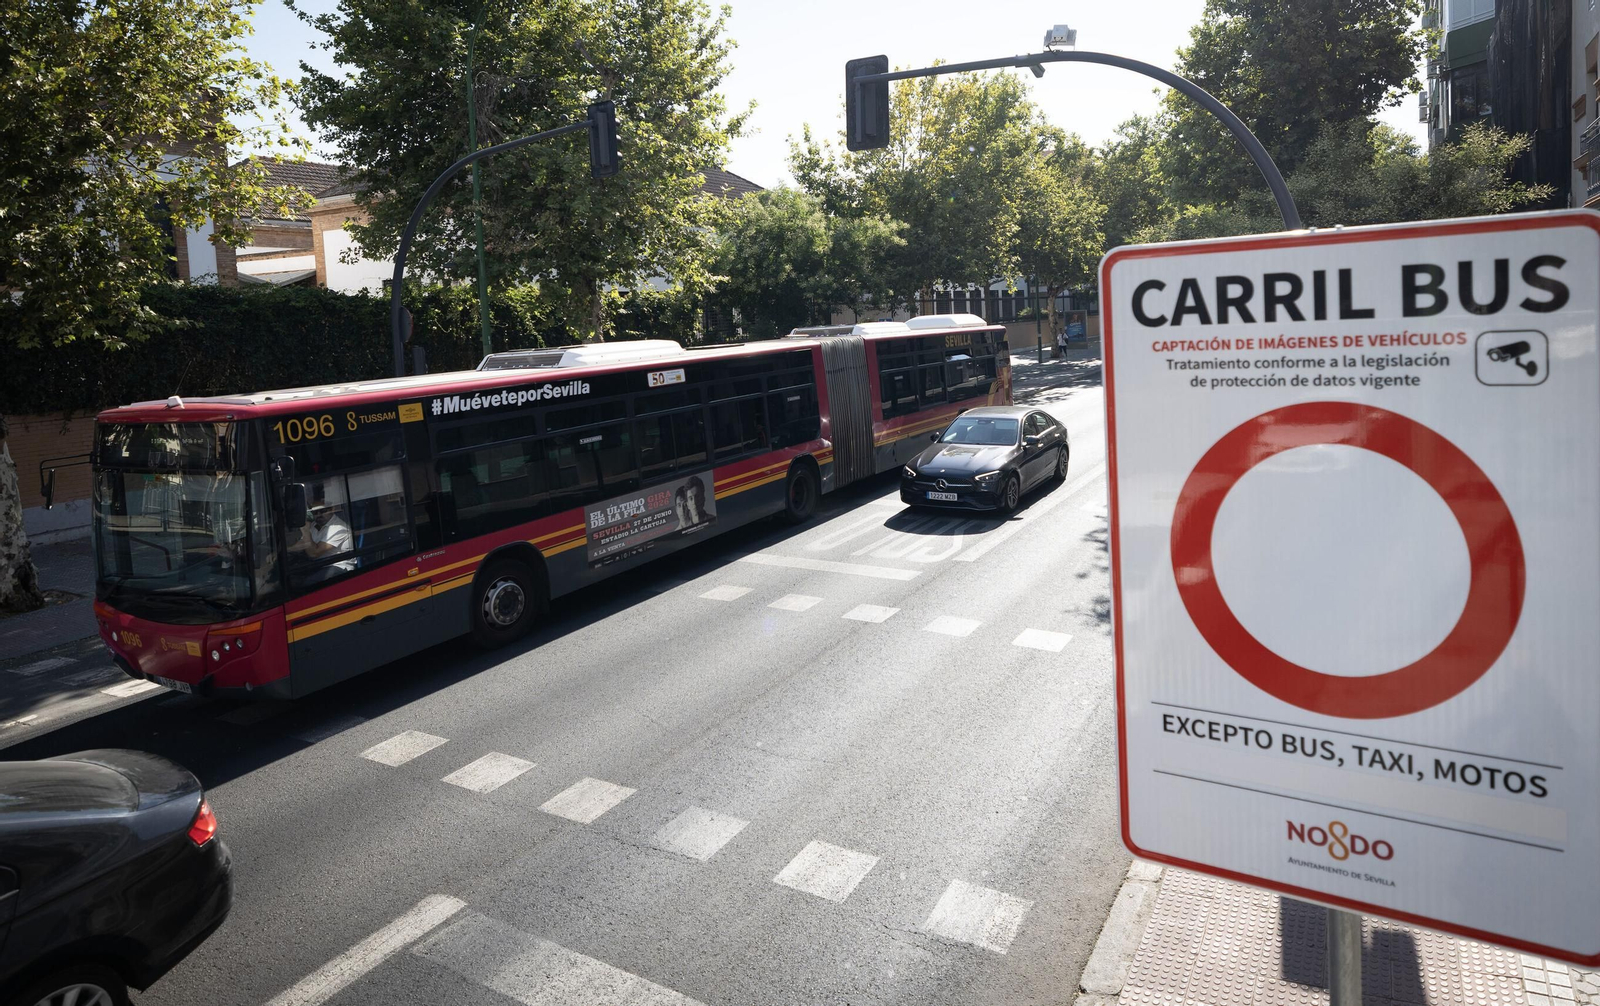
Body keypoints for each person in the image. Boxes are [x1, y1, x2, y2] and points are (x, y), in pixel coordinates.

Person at [289, 494, 357, 581]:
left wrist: (305, 531)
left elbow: (314, 553)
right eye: (315, 512)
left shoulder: (339, 528)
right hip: (319, 564)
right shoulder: (314, 525)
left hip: (338, 566)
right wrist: (286, 550)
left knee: (308, 583)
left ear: (331, 510)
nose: (319, 515)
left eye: (323, 511)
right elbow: (303, 543)